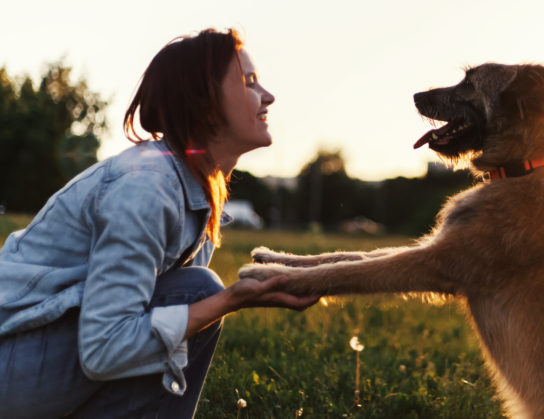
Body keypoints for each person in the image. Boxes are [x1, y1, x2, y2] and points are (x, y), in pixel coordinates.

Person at [0, 28, 318, 418]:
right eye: (249, 82)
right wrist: (229, 301)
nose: (267, 96)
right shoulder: (147, 188)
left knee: (192, 301)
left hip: (37, 365)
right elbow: (103, 350)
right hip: (12, 365)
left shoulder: (193, 185)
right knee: (198, 294)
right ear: (204, 103)